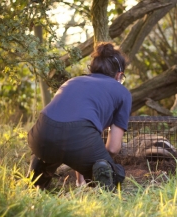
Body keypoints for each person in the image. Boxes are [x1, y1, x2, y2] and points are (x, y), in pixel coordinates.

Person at [26, 42, 132, 190]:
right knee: (115, 174)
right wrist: (101, 162)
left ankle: (38, 174)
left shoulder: (72, 81)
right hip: (80, 136)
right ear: (119, 75)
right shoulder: (122, 93)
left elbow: (68, 121)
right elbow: (113, 148)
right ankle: (104, 185)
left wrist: (80, 180)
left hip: (40, 135)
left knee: (56, 145)